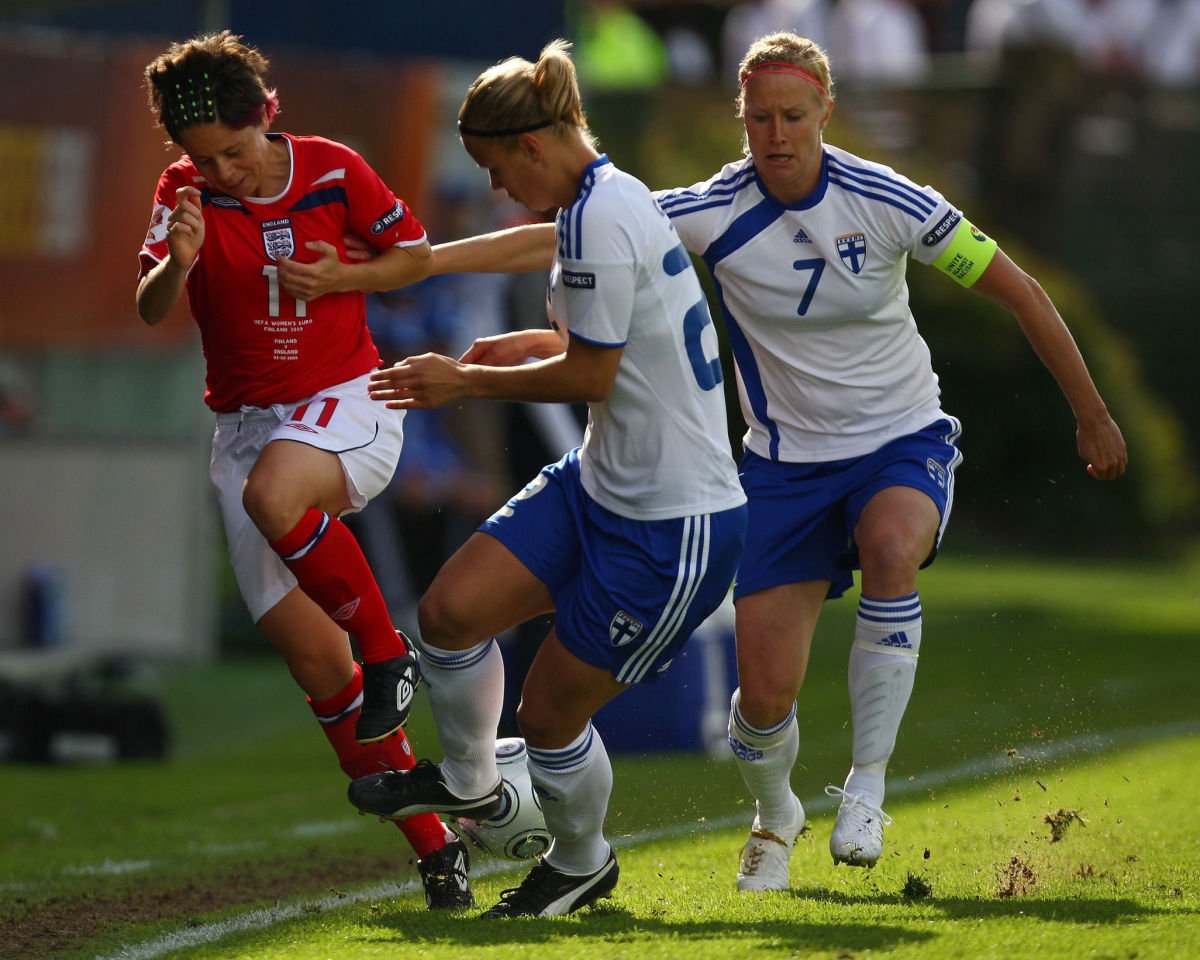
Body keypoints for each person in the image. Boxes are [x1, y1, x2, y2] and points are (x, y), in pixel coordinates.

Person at [396, 30, 1128, 893]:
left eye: (791, 116)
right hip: (780, 466)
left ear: (826, 112)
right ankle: (775, 814)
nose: (774, 134)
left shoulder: (890, 200)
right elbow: (559, 240)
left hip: (901, 439)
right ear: (740, 121)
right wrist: (414, 264)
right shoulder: (715, 206)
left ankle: (866, 786)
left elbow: (1019, 289)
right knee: (763, 701)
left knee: (894, 547)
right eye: (757, 119)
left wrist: (1091, 412)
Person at [345, 39, 748, 917]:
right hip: (600, 480)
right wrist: (449, 278)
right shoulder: (600, 197)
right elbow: (591, 328)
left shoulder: (601, 214)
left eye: (495, 167)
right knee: (449, 616)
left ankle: (580, 860)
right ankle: (469, 782)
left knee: (551, 715)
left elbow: (591, 376)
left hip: (672, 523)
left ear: (531, 147)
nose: (495, 187)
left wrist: (465, 379)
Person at [136, 31, 472, 909]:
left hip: (349, 400)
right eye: (204, 157)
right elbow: (150, 307)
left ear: (269, 118)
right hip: (244, 432)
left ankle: (391, 651)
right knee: (318, 665)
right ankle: (438, 845)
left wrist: (343, 276)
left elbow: (415, 259)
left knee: (277, 493)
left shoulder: (333, 169)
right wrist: (178, 258)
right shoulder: (183, 191)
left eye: (236, 153)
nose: (225, 171)